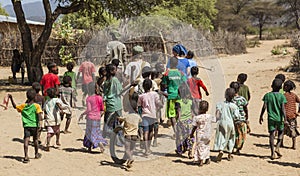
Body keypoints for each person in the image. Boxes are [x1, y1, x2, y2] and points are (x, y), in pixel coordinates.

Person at [8, 89, 43, 163]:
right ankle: (36, 154)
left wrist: (11, 98)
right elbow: (39, 115)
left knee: (26, 140)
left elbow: (15, 107)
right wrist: (40, 124)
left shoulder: (23, 106)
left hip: (26, 126)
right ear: (35, 97)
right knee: (35, 140)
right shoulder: (37, 106)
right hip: (34, 126)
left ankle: (26, 156)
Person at [259, 78, 287, 160]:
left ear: (271, 86)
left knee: (271, 135)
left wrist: (261, 116)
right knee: (281, 132)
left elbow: (264, 107)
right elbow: (283, 109)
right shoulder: (282, 96)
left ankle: (272, 153)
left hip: (271, 118)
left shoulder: (267, 95)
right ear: (281, 88)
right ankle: (277, 147)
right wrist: (285, 119)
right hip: (279, 118)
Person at [161, 57, 187, 136]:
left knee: (172, 114)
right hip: (179, 96)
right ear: (177, 64)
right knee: (179, 113)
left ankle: (176, 132)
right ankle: (180, 129)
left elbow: (164, 85)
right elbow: (185, 84)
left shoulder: (167, 73)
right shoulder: (181, 73)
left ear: (170, 63)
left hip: (171, 96)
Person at [214, 88, 240, 162]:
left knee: (221, 137)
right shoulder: (234, 106)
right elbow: (236, 116)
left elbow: (218, 113)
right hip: (230, 123)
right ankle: (229, 153)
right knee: (231, 137)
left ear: (225, 95)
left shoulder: (220, 104)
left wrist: (216, 119)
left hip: (221, 122)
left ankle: (221, 150)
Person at [79, 83, 107, 153]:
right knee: (96, 131)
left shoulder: (89, 99)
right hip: (97, 118)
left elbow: (89, 109)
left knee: (89, 132)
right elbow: (102, 109)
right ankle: (98, 143)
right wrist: (101, 114)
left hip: (90, 118)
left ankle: (90, 147)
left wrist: (82, 114)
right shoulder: (100, 98)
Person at [138, 79, 163, 155]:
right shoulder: (154, 94)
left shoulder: (141, 96)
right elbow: (159, 104)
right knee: (151, 131)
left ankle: (146, 149)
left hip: (145, 115)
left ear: (143, 86)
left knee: (146, 131)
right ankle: (148, 148)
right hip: (153, 115)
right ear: (151, 86)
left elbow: (139, 106)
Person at [117, 92, 142, 168]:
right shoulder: (137, 117)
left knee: (127, 149)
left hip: (127, 135)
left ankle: (131, 158)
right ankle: (128, 162)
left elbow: (120, 119)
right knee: (132, 149)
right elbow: (140, 121)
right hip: (135, 135)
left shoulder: (126, 116)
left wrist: (118, 118)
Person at [190, 100, 215, 166]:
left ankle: (201, 160)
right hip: (208, 134)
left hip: (200, 135)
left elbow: (194, 127)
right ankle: (207, 158)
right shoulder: (209, 116)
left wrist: (191, 134)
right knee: (206, 146)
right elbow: (215, 119)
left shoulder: (196, 118)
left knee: (200, 147)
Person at [103, 64, 123, 139]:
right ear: (112, 71)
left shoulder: (107, 81)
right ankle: (118, 140)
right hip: (116, 104)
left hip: (109, 104)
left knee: (108, 123)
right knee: (118, 123)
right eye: (115, 69)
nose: (116, 71)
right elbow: (119, 92)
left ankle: (106, 138)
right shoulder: (115, 80)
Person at [175, 83, 193, 158]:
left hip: (181, 121)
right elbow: (191, 112)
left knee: (179, 136)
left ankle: (179, 150)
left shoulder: (178, 102)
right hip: (189, 121)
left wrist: (178, 120)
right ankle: (190, 150)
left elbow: (178, 113)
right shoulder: (190, 102)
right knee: (189, 136)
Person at [230, 81, 248, 154]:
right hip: (241, 119)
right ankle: (238, 148)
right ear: (239, 89)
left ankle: (233, 147)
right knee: (242, 134)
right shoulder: (242, 99)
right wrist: (247, 115)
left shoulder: (230, 99)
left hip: (233, 119)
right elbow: (246, 108)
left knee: (234, 134)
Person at [282, 80, 300, 149]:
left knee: (282, 130)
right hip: (293, 116)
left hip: (285, 116)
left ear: (286, 87)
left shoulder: (283, 96)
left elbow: (282, 106)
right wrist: (298, 112)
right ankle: (294, 145)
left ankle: (281, 143)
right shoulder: (294, 95)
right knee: (293, 130)